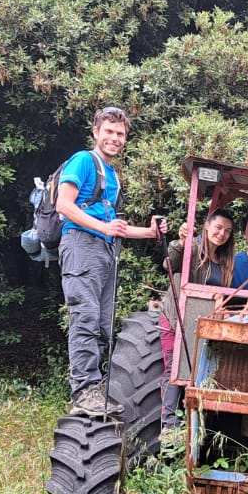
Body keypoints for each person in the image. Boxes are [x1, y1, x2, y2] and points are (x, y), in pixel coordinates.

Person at [56, 106, 164, 417]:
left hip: (104, 250)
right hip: (81, 245)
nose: (114, 138)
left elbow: (115, 226)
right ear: (96, 133)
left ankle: (95, 388)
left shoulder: (111, 174)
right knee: (86, 318)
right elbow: (64, 205)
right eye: (109, 132)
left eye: (120, 134)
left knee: (103, 324)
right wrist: (103, 228)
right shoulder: (84, 160)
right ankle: (83, 390)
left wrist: (150, 232)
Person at [158, 209, 236, 429]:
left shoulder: (225, 261)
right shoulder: (192, 248)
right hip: (177, 318)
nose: (222, 234)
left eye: (227, 231)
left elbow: (223, 294)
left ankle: (197, 425)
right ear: (207, 226)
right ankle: (169, 425)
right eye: (218, 227)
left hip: (204, 323)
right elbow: (169, 264)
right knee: (174, 368)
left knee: (200, 371)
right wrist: (182, 242)